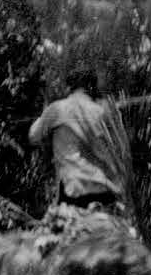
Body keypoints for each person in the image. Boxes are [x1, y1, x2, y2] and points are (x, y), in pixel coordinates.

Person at [27, 70, 129, 211]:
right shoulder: (100, 112)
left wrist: (45, 118)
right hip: (104, 188)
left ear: (70, 87)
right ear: (91, 87)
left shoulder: (57, 108)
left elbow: (33, 136)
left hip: (74, 189)